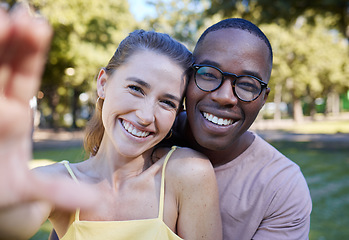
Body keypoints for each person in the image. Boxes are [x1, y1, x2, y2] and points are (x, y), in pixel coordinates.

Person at [0, 7, 222, 240]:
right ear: (103, 83)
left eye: (166, 102)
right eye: (136, 89)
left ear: (177, 113)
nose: (146, 116)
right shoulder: (57, 182)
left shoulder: (188, 172)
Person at [169, 18, 312, 239]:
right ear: (187, 78)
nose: (225, 97)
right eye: (208, 73)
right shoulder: (147, 137)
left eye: (247, 85)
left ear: (264, 98)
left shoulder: (282, 188)